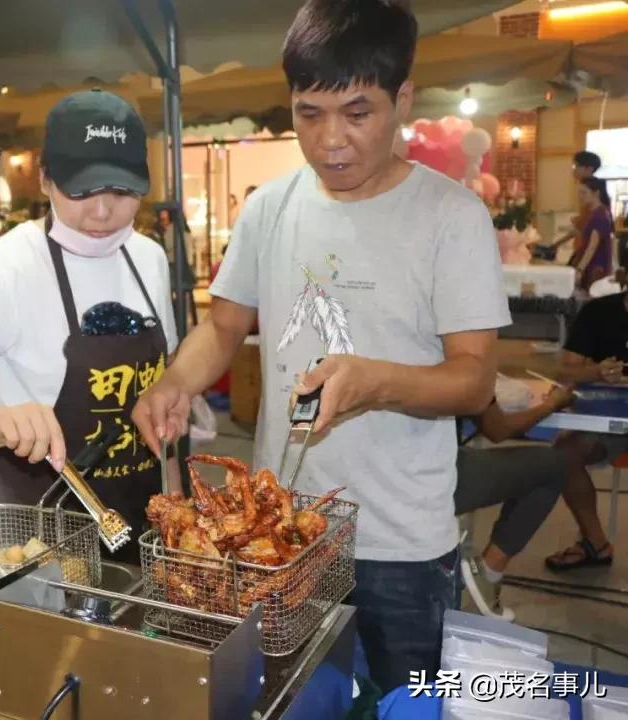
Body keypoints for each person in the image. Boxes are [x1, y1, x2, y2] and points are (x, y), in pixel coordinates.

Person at [132, 0, 509, 694]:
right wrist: (173, 385)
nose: (331, 140)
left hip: (401, 546)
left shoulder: (450, 218)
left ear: (402, 100)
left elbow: (474, 382)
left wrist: (374, 382)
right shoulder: (269, 209)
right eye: (309, 114)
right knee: (289, 702)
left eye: (358, 113)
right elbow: (221, 329)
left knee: (404, 707)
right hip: (280, 540)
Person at [0, 89, 178, 558]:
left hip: (138, 520)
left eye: (120, 190)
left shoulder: (149, 258)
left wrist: (174, 490)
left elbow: (161, 382)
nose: (102, 211)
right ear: (46, 179)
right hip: (37, 536)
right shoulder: (4, 269)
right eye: (82, 190)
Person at [454, 381, 574, 616]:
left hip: (370, 482)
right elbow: (498, 429)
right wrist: (551, 404)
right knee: (554, 465)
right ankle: (487, 574)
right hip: (430, 478)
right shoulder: (458, 355)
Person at [544, 290, 628, 571]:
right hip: (612, 421)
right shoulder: (599, 312)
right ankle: (596, 544)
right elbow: (566, 371)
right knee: (563, 455)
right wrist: (596, 372)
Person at [550, 151, 602, 255]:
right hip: (582, 247)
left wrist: (556, 244)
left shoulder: (593, 193)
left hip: (589, 252)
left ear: (589, 169)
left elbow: (584, 229)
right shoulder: (586, 188)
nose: (574, 170)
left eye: (577, 166)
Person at [570, 177, 615, 290]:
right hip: (594, 265)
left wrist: (579, 270)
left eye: (584, 193)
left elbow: (592, 246)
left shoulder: (600, 215)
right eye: (579, 193)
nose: (580, 197)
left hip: (595, 267)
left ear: (596, 193)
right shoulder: (597, 212)